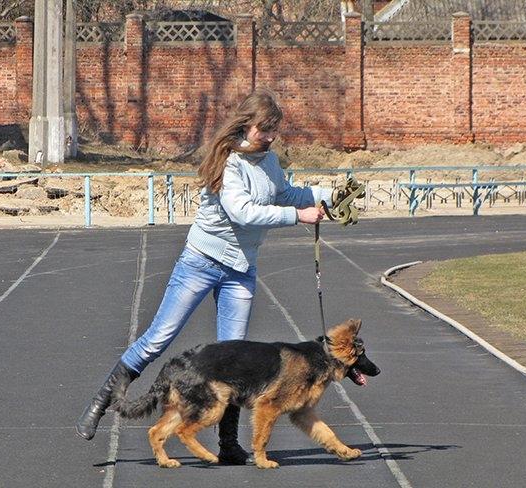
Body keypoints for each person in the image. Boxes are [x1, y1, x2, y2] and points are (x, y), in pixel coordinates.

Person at [76, 88, 341, 465]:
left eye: (274, 130)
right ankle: (100, 404)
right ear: (246, 125)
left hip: (241, 270)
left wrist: (329, 194)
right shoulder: (229, 162)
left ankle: (228, 443)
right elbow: (243, 212)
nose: (270, 136)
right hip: (201, 261)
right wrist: (297, 217)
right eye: (264, 129)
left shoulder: (269, 161)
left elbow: (284, 193)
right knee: (158, 338)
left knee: (234, 357)